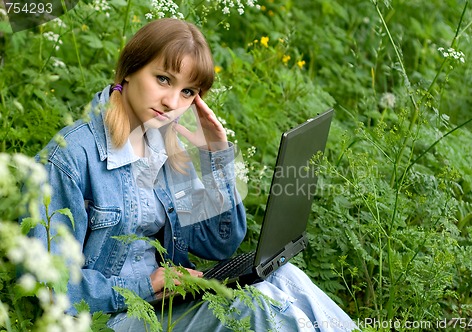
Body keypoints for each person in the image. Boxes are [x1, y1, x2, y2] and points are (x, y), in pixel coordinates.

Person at [31, 18, 357, 331]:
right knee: (257, 305)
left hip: (166, 305)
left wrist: (216, 156)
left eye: (188, 92)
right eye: (163, 79)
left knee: (286, 278)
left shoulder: (166, 148)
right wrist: (147, 285)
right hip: (109, 317)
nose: (172, 102)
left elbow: (219, 243)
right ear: (130, 70)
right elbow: (48, 280)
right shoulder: (72, 157)